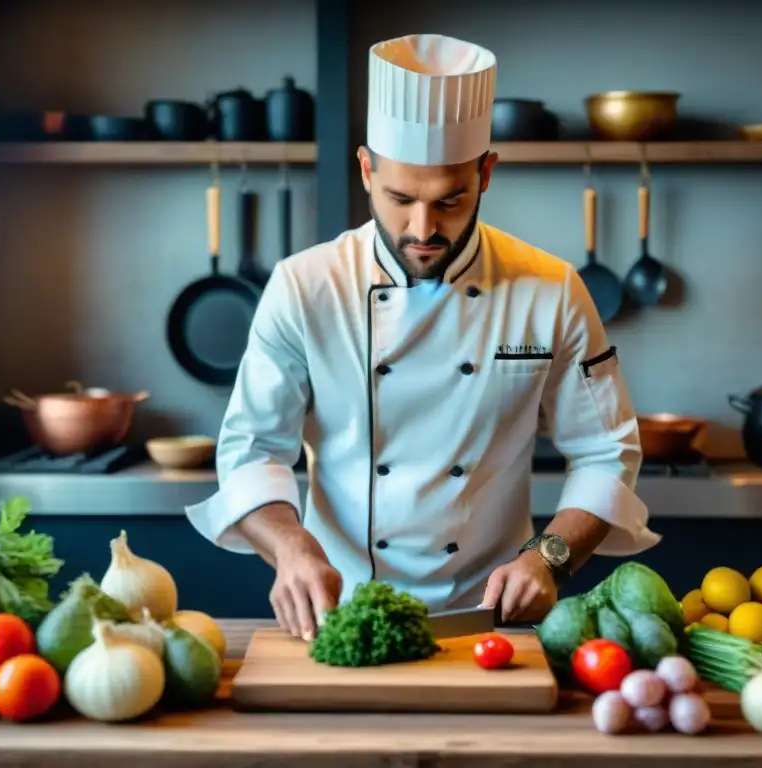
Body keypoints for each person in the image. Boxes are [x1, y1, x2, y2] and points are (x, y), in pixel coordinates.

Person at [186, 33, 660, 640]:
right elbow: (252, 452)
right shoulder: (303, 287)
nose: (423, 229)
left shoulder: (552, 289)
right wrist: (291, 550)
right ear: (366, 170)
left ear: (486, 173)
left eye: (451, 200)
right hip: (343, 615)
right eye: (400, 198)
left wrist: (548, 558)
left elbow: (605, 453)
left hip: (494, 620)